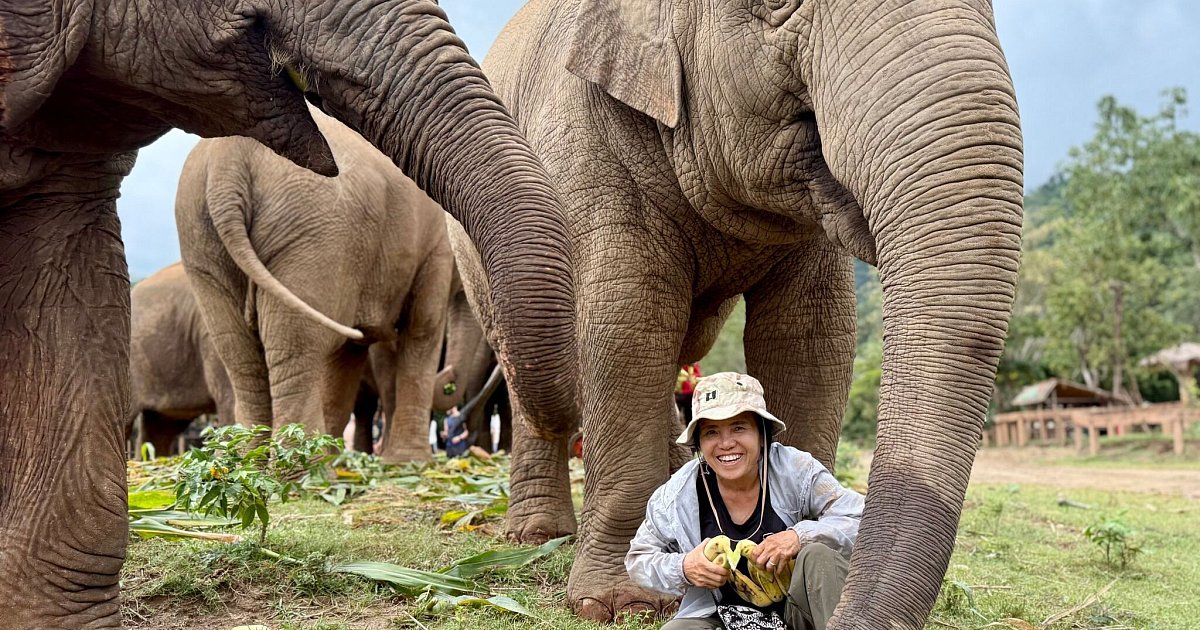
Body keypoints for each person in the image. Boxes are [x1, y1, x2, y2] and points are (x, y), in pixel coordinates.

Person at [627, 372, 864, 630]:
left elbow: (862, 518)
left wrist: (799, 536)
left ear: (762, 435)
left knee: (818, 556)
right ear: (699, 444)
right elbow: (639, 558)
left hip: (800, 615)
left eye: (739, 427)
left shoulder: (797, 470)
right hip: (722, 618)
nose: (726, 443)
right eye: (711, 432)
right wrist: (684, 567)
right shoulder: (677, 494)